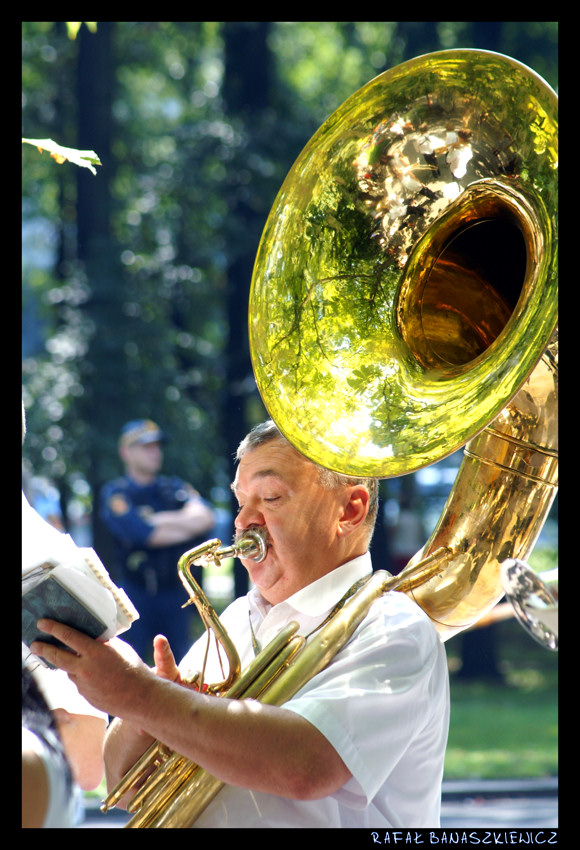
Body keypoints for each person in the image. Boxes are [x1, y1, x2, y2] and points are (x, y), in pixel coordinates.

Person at [31, 419, 450, 829]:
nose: (242, 520)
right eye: (240, 501)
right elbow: (123, 789)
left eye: (270, 498)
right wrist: (146, 710)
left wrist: (140, 695)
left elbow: (306, 765)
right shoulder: (234, 618)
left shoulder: (393, 625)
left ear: (349, 509)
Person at [99, 420, 216, 662]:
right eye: (146, 447)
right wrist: (184, 525)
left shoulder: (174, 488)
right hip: (134, 593)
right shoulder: (117, 493)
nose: (155, 452)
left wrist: (157, 520)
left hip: (175, 594)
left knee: (183, 667)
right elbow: (143, 535)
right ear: (126, 452)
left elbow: (205, 518)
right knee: (129, 666)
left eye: (157, 446)